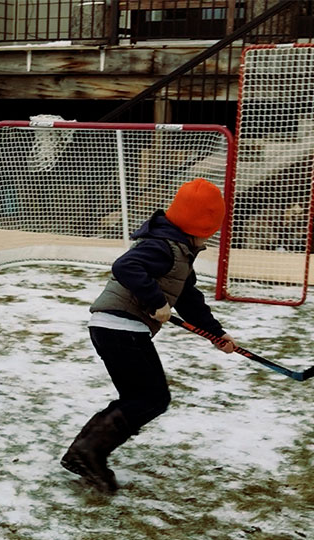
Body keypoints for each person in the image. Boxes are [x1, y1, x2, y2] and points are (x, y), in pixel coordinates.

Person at [60, 177, 237, 493]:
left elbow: (188, 298)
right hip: (120, 328)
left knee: (140, 398)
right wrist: (156, 302)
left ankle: (83, 452)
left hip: (116, 328)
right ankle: (88, 452)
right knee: (152, 398)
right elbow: (125, 267)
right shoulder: (162, 247)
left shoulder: (178, 251)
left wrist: (216, 334)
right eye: (211, 230)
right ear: (200, 226)